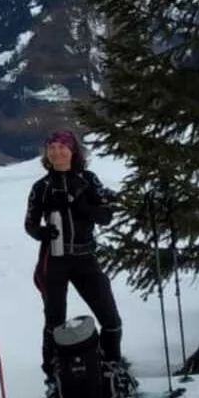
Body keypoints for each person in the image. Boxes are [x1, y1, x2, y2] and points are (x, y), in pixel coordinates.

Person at [24, 128, 125, 383]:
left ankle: (112, 365)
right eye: (51, 147)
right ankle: (54, 375)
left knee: (110, 318)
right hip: (53, 261)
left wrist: (83, 206)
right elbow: (30, 224)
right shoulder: (41, 187)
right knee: (54, 322)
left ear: (73, 151)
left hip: (85, 259)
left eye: (62, 147)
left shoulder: (89, 180)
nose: (56, 152)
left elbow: (106, 216)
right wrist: (42, 233)